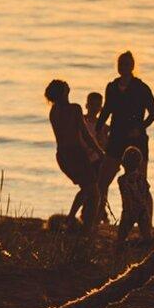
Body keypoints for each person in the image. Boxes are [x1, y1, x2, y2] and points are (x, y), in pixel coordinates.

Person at [94, 52, 154, 218]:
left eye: (127, 64)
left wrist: (140, 127)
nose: (123, 67)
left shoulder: (141, 87)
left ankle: (146, 218)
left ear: (132, 66)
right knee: (102, 180)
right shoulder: (112, 87)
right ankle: (99, 213)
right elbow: (107, 110)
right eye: (121, 63)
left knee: (141, 182)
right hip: (116, 138)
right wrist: (98, 128)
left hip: (137, 140)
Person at [45, 79, 105, 227]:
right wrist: (99, 151)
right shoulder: (75, 109)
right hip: (76, 154)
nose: (68, 85)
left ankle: (74, 219)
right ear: (63, 92)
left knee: (87, 188)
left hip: (62, 156)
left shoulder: (53, 111)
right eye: (65, 85)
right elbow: (85, 134)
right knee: (93, 191)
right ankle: (83, 224)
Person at [115, 146, 153, 245]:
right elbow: (147, 194)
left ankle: (119, 252)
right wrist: (148, 211)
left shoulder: (122, 180)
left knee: (121, 238)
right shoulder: (142, 177)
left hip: (129, 211)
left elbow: (126, 196)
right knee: (147, 237)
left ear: (123, 163)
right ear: (139, 163)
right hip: (142, 210)